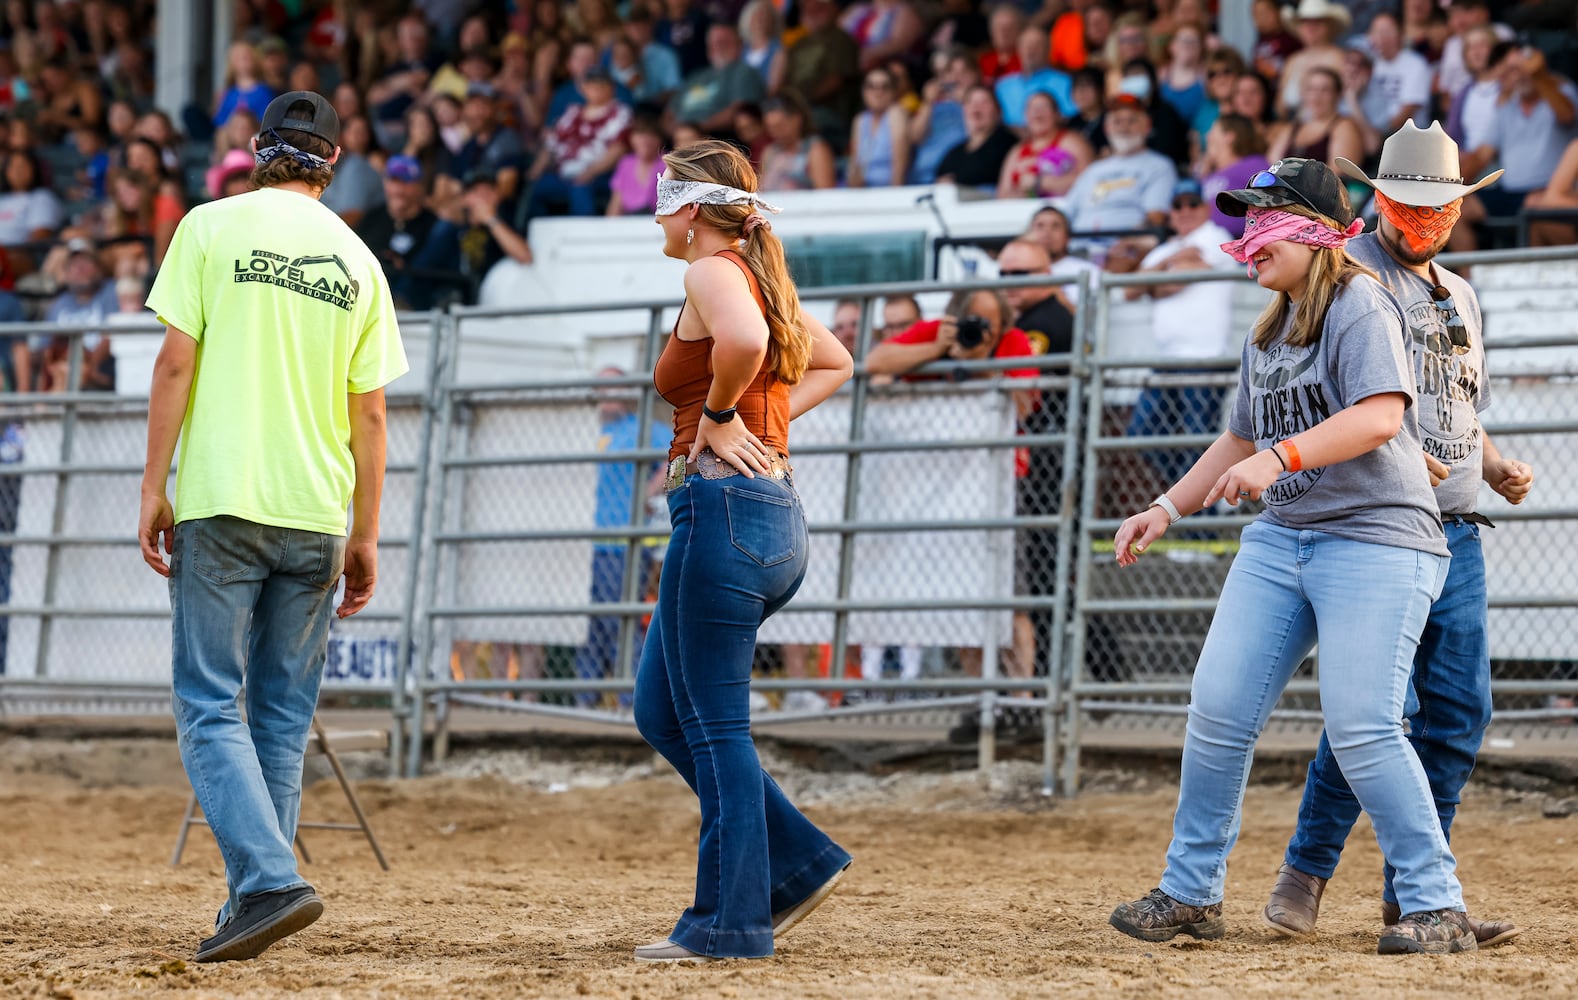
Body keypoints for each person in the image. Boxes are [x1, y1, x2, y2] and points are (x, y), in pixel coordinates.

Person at [1108, 157, 1476, 956]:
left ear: (1314, 233)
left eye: (1265, 218)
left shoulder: (1357, 302)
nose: (1248, 237)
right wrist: (1168, 506)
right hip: (1284, 539)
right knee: (1217, 708)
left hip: (1377, 535)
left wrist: (1281, 460)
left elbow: (1380, 416)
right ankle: (1191, 891)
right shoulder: (1270, 323)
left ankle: (1436, 904)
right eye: (1244, 219)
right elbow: (1239, 434)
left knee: (1364, 726)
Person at [137, 91, 407, 963]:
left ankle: (268, 883)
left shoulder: (209, 227)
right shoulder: (360, 260)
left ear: (260, 152)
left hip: (225, 496)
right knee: (281, 719)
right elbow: (371, 419)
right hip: (318, 509)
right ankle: (256, 897)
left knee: (209, 702)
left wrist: (152, 485)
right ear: (333, 162)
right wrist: (367, 533)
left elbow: (176, 361)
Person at [1261, 121, 1530, 949]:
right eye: (1410, 203)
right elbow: (1354, 398)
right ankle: (1307, 870)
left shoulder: (1459, 291)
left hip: (1455, 522)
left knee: (1455, 711)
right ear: (1379, 200)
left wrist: (1486, 461)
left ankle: (1417, 886)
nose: (1425, 218)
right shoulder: (1346, 278)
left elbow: (1450, 395)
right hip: (1376, 523)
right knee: (1381, 711)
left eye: (1438, 206)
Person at [632, 139, 854, 963]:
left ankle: (730, 924)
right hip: (767, 514)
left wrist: (722, 419)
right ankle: (795, 862)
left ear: (690, 211)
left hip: (723, 512)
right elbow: (835, 361)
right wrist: (761, 425)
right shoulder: (760, 270)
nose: (656, 211)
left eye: (664, 197)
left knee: (716, 726)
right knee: (661, 710)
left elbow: (745, 344)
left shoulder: (712, 268)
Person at [1122, 178, 1237, 488]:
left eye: (1192, 204)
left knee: (1197, 441)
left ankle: (1201, 519)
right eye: (1177, 205)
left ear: (1203, 207)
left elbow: (1172, 283)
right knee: (1142, 433)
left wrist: (1156, 280)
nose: (1184, 211)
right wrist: (1173, 261)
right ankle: (1187, 496)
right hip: (1169, 359)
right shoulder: (1170, 249)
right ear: (1170, 213)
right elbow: (1131, 289)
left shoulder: (1215, 236)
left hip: (1205, 356)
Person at [574, 367, 673, 708]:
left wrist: (648, 491)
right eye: (602, 384)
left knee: (621, 623)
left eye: (615, 382)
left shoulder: (644, 429)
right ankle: (584, 700)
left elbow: (677, 454)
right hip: (579, 546)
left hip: (621, 545)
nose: (608, 391)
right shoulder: (583, 430)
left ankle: (631, 701)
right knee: (584, 629)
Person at [356, 155, 442, 309]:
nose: (398, 189)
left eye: (405, 182)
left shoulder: (433, 224)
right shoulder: (371, 218)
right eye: (393, 181)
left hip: (417, 308)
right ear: (385, 183)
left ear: (419, 186)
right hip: (368, 298)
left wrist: (403, 265)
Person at [935, 84, 1018, 192]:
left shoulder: (1008, 145)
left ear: (998, 111)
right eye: (970, 102)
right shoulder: (953, 154)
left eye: (984, 103)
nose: (976, 108)